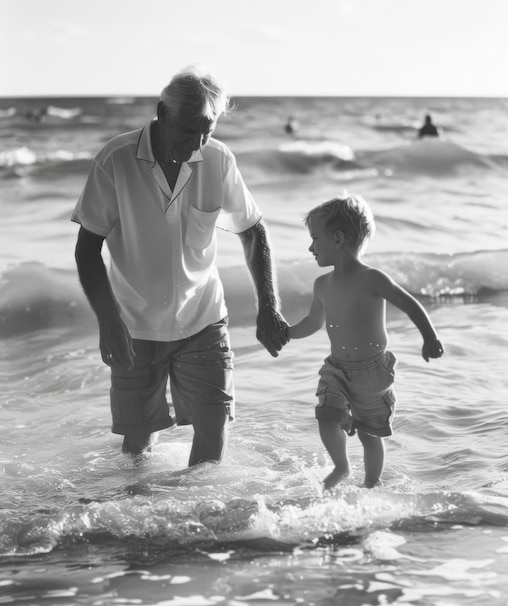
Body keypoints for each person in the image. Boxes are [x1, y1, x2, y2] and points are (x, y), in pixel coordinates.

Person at [72, 65, 288, 464]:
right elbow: (87, 249)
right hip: (134, 326)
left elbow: (253, 231)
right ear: (162, 113)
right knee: (137, 447)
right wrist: (108, 321)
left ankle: (202, 522)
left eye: (207, 131)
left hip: (204, 320)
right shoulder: (116, 160)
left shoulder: (218, 159)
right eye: (189, 131)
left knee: (213, 433)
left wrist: (269, 306)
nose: (197, 143)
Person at [286, 195, 444, 489]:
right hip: (337, 367)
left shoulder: (373, 278)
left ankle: (371, 484)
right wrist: (286, 332)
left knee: (369, 434)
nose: (310, 247)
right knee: (326, 415)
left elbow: (409, 304)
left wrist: (429, 337)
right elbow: (312, 323)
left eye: (315, 238)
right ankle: (341, 466)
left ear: (337, 239)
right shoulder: (322, 284)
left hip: (373, 371)